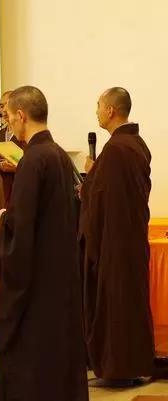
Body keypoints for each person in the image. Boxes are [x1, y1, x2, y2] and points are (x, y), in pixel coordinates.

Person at [0, 86, 88, 401]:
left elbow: (21, 227)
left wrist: (5, 220)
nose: (10, 125)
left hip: (36, 283)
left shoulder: (33, 159)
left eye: (9, 117)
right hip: (60, 274)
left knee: (29, 358)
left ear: (21, 116)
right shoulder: (58, 154)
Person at [80, 87, 154, 387]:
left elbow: (101, 199)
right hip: (131, 240)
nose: (96, 110)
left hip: (114, 243)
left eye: (99, 105)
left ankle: (119, 368)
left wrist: (87, 183)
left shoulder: (116, 150)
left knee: (116, 303)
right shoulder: (136, 144)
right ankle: (133, 364)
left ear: (111, 110)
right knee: (131, 302)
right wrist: (94, 178)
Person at [0, 90, 25, 202]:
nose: (4, 110)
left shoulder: (25, 134)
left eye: (8, 105)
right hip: (2, 189)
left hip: (20, 188)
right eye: (1, 106)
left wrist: (17, 167)